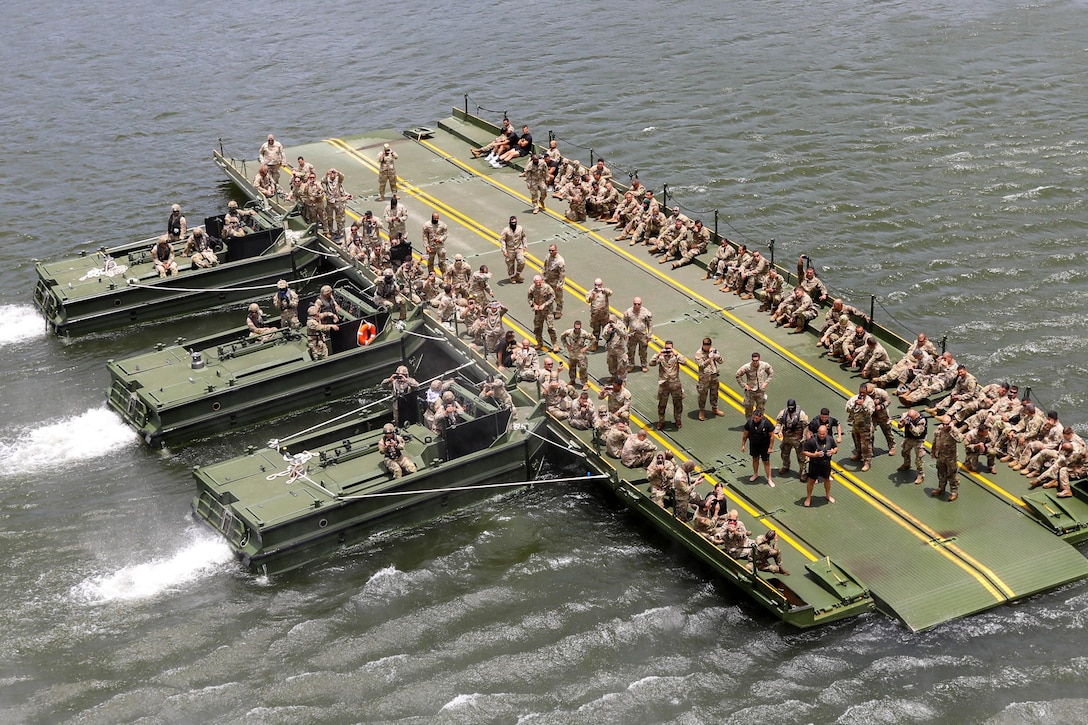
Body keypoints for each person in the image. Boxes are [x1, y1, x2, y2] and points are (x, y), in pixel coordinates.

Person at [650, 340, 687, 430]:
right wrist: (658, 354)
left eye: (669, 349)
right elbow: (651, 363)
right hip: (664, 385)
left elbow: (685, 362)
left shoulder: (676, 356)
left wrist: (676, 353)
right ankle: (661, 421)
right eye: (666, 348)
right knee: (662, 405)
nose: (667, 351)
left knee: (678, 404)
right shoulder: (661, 357)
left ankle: (678, 420)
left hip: (675, 385)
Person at [802, 424, 838, 506]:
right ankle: (808, 497)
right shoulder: (812, 441)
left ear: (826, 432)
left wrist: (833, 451)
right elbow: (804, 451)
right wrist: (814, 455)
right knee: (811, 481)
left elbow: (836, 447)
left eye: (823, 434)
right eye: (820, 434)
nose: (821, 436)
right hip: (815, 464)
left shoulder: (830, 439)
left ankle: (828, 495)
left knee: (827, 480)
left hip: (826, 464)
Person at [846, 384, 876, 472]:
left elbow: (870, 412)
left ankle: (867, 462)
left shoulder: (869, 401)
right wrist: (853, 405)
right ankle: (858, 454)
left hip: (865, 426)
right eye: (860, 392)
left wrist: (863, 405)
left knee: (866, 445)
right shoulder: (854, 398)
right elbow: (847, 408)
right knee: (856, 440)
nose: (862, 394)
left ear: (866, 392)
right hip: (856, 424)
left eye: (864, 392)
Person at [774, 399, 809, 474]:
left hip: (798, 438)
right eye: (789, 407)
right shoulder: (783, 413)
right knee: (784, 453)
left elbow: (805, 427)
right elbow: (779, 422)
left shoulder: (801, 414)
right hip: (786, 437)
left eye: (792, 407)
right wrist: (778, 430)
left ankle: (803, 471)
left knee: (801, 456)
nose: (790, 409)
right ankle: (785, 466)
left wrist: (804, 438)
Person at [693, 337, 725, 421]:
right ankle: (702, 411)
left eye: (708, 345)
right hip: (704, 377)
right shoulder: (698, 353)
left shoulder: (713, 350)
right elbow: (701, 365)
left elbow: (721, 362)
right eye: (705, 345)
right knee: (703, 394)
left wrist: (717, 357)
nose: (707, 347)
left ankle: (714, 408)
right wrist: (709, 359)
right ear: (702, 345)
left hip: (714, 376)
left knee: (714, 393)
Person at [742, 409, 775, 486]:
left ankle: (769, 479)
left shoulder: (766, 423)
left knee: (766, 461)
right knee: (755, 459)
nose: (755, 419)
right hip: (754, 444)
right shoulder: (750, 423)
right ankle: (755, 474)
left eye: (756, 418)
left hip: (764, 445)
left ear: (761, 417)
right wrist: (743, 445)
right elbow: (745, 435)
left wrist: (770, 447)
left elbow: (772, 436)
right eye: (754, 418)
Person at [735, 352, 773, 419]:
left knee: (761, 408)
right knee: (749, 408)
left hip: (760, 391)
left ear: (759, 359)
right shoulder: (747, 367)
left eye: (756, 360)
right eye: (753, 360)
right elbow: (737, 375)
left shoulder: (764, 365)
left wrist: (766, 382)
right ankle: (749, 423)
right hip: (751, 391)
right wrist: (744, 385)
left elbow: (771, 372)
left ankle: (759, 422)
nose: (755, 362)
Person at [930, 415, 960, 500]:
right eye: (943, 424)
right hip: (941, 455)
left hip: (951, 457)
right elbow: (935, 440)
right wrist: (933, 451)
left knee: (952, 475)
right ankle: (941, 488)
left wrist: (953, 429)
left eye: (946, 424)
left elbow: (960, 439)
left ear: (950, 423)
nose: (944, 426)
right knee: (941, 472)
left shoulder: (953, 430)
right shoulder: (939, 429)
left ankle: (954, 492)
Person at [527, 275, 559, 351]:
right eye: (536, 282)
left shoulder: (547, 287)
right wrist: (534, 305)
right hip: (538, 311)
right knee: (537, 328)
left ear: (541, 280)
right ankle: (539, 343)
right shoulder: (532, 288)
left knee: (550, 328)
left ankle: (555, 344)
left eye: (539, 282)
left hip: (547, 311)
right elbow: (529, 298)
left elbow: (552, 297)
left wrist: (544, 304)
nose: (538, 284)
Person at [898, 408, 928, 484]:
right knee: (904, 451)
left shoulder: (921, 420)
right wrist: (903, 422)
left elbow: (917, 433)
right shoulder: (905, 415)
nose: (910, 419)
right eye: (909, 417)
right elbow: (899, 426)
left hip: (918, 440)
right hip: (909, 438)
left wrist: (910, 425)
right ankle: (907, 464)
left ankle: (920, 475)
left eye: (912, 418)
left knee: (918, 459)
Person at [623, 297, 653, 372]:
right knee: (630, 350)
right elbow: (625, 323)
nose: (636, 305)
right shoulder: (628, 312)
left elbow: (650, 324)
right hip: (632, 334)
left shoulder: (646, 312)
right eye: (635, 304)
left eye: (638, 304)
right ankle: (631, 364)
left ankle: (643, 365)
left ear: (641, 304)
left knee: (643, 351)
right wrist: (624, 333)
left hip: (642, 335)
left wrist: (649, 334)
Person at [322, 168, 352, 239]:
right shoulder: (327, 180)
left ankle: (340, 230)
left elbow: (342, 177)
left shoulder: (338, 180)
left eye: (333, 173)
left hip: (337, 201)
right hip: (330, 202)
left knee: (339, 217)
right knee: (329, 217)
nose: (332, 174)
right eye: (331, 173)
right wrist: (327, 173)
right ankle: (330, 230)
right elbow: (322, 180)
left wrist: (337, 171)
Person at [585, 278, 613, 351]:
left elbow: (610, 293)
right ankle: (595, 343)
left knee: (607, 330)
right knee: (595, 330)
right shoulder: (591, 292)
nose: (597, 286)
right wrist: (592, 296)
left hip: (604, 315)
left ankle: (609, 343)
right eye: (596, 285)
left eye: (599, 285)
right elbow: (587, 300)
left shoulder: (604, 292)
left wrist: (603, 290)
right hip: (595, 316)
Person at [560, 320, 591, 386]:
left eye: (578, 328)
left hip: (581, 355)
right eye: (576, 328)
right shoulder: (569, 332)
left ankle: (585, 383)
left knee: (583, 369)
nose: (577, 330)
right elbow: (562, 337)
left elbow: (593, 339)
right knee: (571, 368)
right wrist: (567, 345)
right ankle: (572, 380)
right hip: (572, 354)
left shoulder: (584, 333)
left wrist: (586, 347)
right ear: (574, 327)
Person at [542, 244, 566, 318]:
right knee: (547, 296)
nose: (551, 252)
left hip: (555, 282)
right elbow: (545, 267)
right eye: (549, 250)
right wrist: (543, 277)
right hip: (548, 281)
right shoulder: (548, 257)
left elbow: (562, 274)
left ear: (556, 250)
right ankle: (549, 310)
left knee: (558, 298)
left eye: (552, 250)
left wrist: (560, 285)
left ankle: (559, 311)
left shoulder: (560, 261)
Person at [602, 315, 629, 382]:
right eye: (610, 321)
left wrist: (617, 329)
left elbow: (624, 334)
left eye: (612, 321)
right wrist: (608, 332)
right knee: (611, 364)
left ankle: (622, 380)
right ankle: (614, 376)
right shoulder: (607, 326)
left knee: (621, 365)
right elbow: (604, 337)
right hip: (611, 349)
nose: (611, 323)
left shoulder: (621, 325)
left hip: (620, 349)